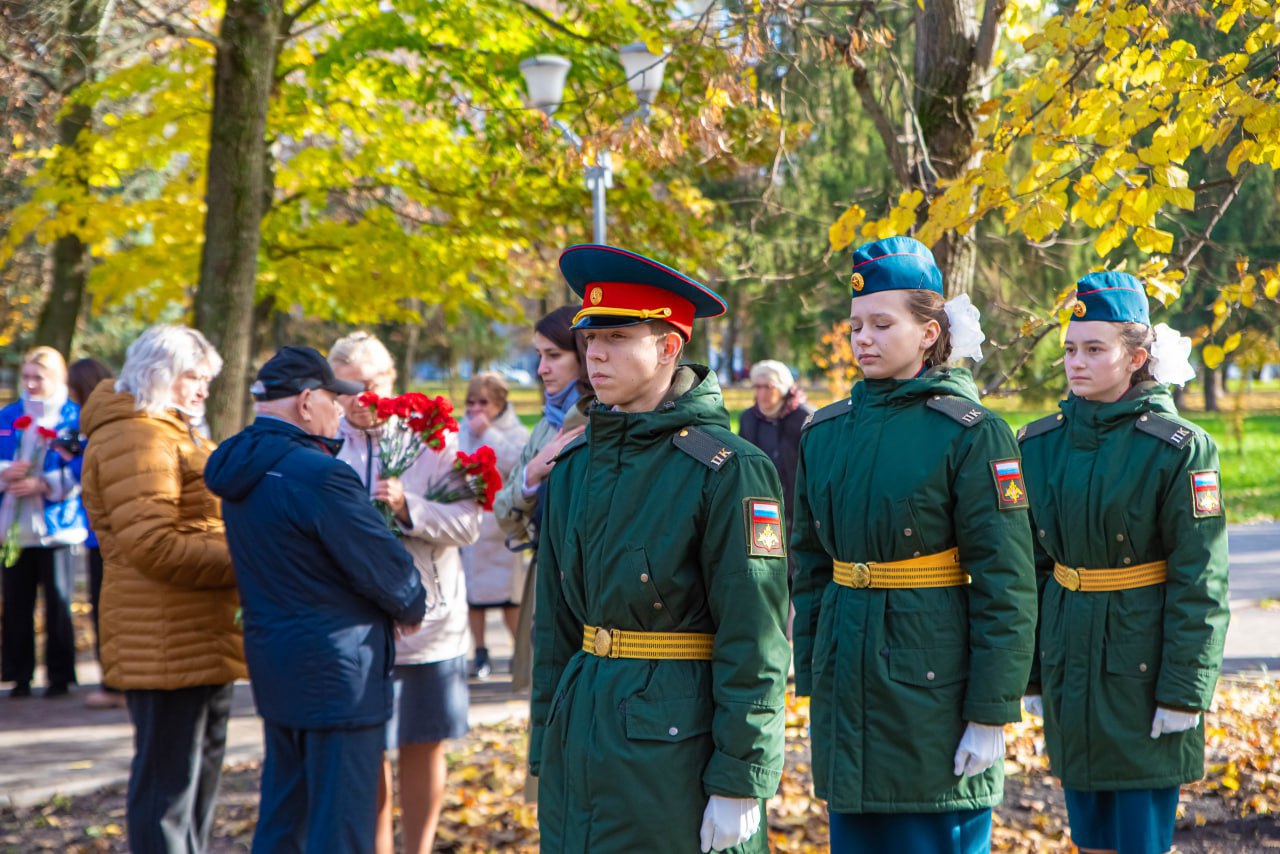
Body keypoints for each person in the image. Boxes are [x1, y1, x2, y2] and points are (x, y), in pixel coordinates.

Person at [530, 244, 791, 852]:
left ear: (670, 347)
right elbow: (558, 630)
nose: (594, 353)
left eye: (618, 336)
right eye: (589, 336)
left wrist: (740, 778)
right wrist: (546, 744)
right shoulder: (574, 466)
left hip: (675, 749)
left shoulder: (727, 470)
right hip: (582, 737)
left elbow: (754, 637)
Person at [791, 236, 1037, 853]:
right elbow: (810, 565)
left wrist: (990, 711)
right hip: (848, 683)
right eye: (855, 326)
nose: (863, 339)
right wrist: (815, 668)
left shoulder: (971, 433)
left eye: (882, 323)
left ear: (930, 333)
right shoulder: (825, 433)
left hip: (935, 689)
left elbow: (1007, 582)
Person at [1018, 272, 1230, 854]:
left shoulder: (1177, 447)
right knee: (1089, 836)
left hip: (1145, 670)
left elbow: (1201, 580)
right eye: (1068, 348)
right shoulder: (1039, 444)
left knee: (1140, 839)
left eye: (1093, 349)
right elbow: (1034, 568)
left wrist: (1185, 690)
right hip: (1070, 663)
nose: (1075, 362)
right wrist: (1034, 673)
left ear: (1137, 356)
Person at [204, 346, 427, 854]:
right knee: (340, 825)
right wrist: (409, 604)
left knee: (286, 816)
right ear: (306, 402)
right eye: (333, 398)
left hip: (277, 660)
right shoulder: (318, 473)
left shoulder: (241, 468)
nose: (339, 409)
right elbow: (383, 564)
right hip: (338, 672)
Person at [79, 325, 245, 853]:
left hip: (199, 627)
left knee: (193, 780)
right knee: (168, 785)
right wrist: (249, 557)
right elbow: (154, 544)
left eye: (206, 379)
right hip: (164, 635)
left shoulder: (173, 429)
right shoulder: (137, 436)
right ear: (159, 374)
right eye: (193, 378)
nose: (202, 390)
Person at [326, 332, 481, 854]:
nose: (359, 398)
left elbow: (467, 524)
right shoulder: (324, 445)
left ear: (391, 383)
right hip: (356, 625)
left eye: (370, 385)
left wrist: (407, 506)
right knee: (367, 751)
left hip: (430, 622)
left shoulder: (431, 440)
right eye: (345, 387)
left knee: (422, 744)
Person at [493, 305, 592, 694]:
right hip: (545, 579)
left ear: (582, 355)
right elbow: (506, 516)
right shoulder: (546, 428)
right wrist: (532, 475)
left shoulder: (605, 420)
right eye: (538, 356)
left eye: (553, 356)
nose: (541, 370)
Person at [0, 346, 87, 699]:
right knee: (17, 602)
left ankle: (60, 675)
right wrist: (7, 473)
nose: (32, 384)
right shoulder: (9, 416)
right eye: (27, 377)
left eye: (40, 377)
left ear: (57, 379)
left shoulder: (73, 417)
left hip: (56, 526)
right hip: (15, 526)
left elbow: (80, 470)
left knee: (59, 601)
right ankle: (19, 674)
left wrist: (45, 483)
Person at [458, 371, 528, 679]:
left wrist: (488, 434)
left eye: (483, 402)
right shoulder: (463, 429)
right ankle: (481, 651)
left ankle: (521, 654)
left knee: (509, 597)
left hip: (502, 525)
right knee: (474, 598)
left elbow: (517, 462)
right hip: (471, 524)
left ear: (499, 403)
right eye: (471, 402)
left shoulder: (513, 432)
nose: (476, 409)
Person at [66, 357, 125, 711]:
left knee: (109, 610)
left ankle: (114, 683)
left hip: (103, 533)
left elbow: (92, 473)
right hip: (108, 532)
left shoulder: (99, 424)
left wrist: (71, 458)